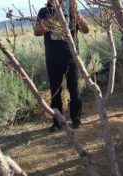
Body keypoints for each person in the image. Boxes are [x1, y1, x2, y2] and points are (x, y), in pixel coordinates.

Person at [34, 0, 89, 132]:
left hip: (72, 59)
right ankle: (57, 122)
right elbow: (37, 31)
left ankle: (76, 118)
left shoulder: (73, 11)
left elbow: (86, 30)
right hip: (53, 60)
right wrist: (54, 18)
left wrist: (78, 16)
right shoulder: (44, 12)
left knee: (74, 90)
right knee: (55, 92)